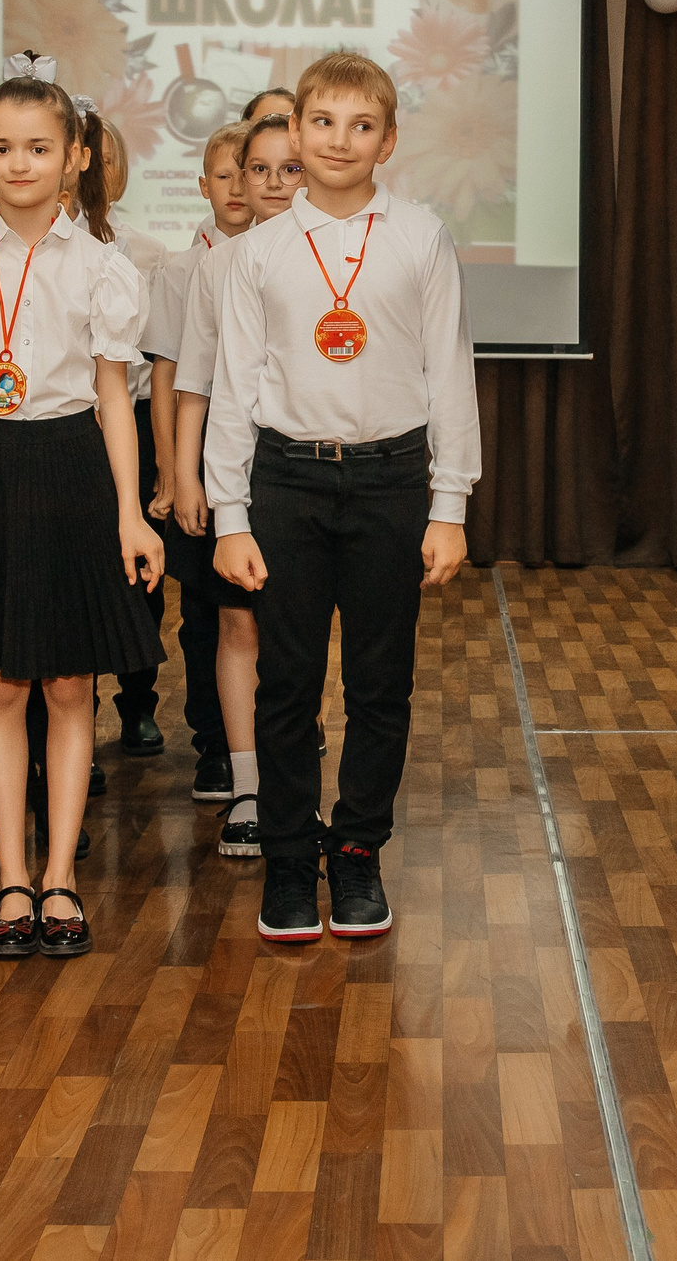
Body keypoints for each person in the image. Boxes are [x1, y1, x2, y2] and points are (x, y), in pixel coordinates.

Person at [208, 53, 478, 944]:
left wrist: (450, 506)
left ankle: (356, 853)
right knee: (285, 685)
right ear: (295, 132)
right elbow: (234, 386)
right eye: (321, 123)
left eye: (361, 126)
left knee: (379, 685)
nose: (338, 141)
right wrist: (229, 515)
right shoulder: (259, 251)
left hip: (390, 480)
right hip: (283, 480)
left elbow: (450, 376)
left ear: (388, 142)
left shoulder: (421, 238)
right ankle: (289, 861)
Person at [0, 72, 164, 959]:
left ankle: (61, 875)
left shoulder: (103, 267)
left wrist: (133, 514)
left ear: (75, 159)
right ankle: (11, 877)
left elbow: (113, 401)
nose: (19, 163)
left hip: (73, 468)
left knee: (66, 684)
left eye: (40, 147)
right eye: (1, 147)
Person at [175, 109, 307, 859]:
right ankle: (250, 786)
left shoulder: (331, 261)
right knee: (237, 625)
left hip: (306, 475)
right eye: (260, 169)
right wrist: (190, 478)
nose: (275, 183)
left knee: (296, 628)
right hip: (234, 474)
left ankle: (295, 778)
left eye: (290, 168)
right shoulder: (216, 267)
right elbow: (193, 382)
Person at [145, 119, 256, 812]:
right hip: (199, 448)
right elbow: (167, 377)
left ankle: (267, 733)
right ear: (204, 185)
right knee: (207, 612)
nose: (239, 187)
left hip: (261, 455)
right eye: (225, 175)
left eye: (249, 173)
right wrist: (170, 469)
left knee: (262, 610)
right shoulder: (182, 271)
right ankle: (215, 743)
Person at [82, 105, 174, 760]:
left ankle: (138, 701)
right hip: (59, 431)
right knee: (77, 576)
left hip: (130, 425)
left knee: (138, 571)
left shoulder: (148, 252)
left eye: (107, 158)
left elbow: (157, 359)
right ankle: (74, 712)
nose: (93, 170)